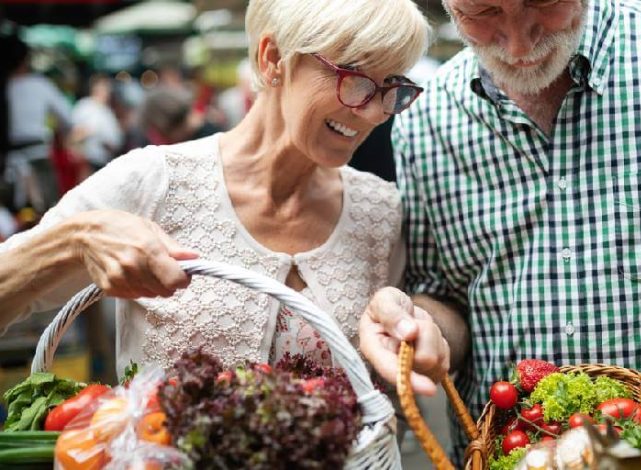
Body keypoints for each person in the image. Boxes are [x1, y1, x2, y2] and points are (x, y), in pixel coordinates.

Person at [358, 0, 641, 468]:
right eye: (483, 12)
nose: (519, 43)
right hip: (511, 453)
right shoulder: (424, 122)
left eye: (544, 2)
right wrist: (416, 324)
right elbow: (446, 298)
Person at [0, 0, 429, 378]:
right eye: (354, 78)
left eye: (390, 86)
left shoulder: (381, 211)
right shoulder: (154, 181)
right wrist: (75, 240)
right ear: (273, 58)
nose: (375, 113)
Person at [5, 35, 73, 212]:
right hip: (37, 158)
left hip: (7, 162)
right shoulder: (40, 85)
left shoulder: (5, 85)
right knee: (50, 216)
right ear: (26, 59)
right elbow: (67, 119)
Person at [71, 74, 123, 174]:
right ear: (95, 88)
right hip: (86, 163)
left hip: (105, 164)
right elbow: (73, 136)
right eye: (104, 87)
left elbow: (116, 142)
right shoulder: (84, 106)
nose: (107, 91)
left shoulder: (108, 112)